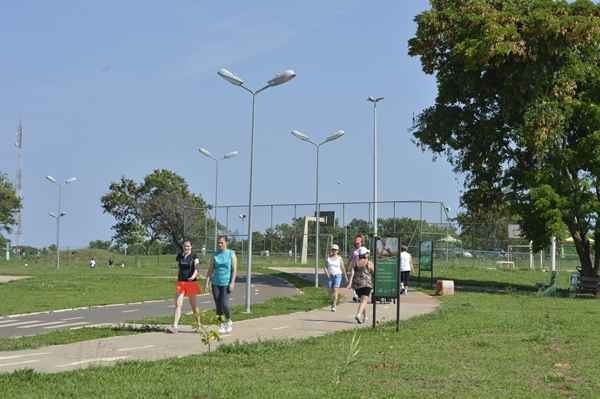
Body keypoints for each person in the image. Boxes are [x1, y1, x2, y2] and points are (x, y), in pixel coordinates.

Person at [205, 236, 237, 334]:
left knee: (224, 304)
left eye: (221, 243)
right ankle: (221, 324)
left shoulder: (231, 254)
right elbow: (210, 270)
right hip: (215, 283)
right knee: (218, 305)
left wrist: (232, 282)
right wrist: (207, 282)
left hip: (226, 283)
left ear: (226, 243)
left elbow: (234, 270)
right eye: (218, 243)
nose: (219, 244)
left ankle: (228, 320)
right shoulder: (215, 255)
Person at [167, 241, 200, 334]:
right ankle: (175, 326)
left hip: (191, 283)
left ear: (191, 247)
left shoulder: (194, 256)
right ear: (183, 247)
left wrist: (193, 276)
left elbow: (197, 268)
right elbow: (179, 268)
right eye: (185, 246)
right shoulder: (180, 256)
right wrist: (178, 277)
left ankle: (199, 324)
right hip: (181, 282)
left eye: (188, 246)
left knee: (193, 306)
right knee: (178, 304)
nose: (187, 248)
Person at [347, 246, 374, 324]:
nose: (368, 254)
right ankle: (358, 314)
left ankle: (365, 317)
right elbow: (374, 272)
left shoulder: (355, 262)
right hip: (366, 284)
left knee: (362, 301)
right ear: (364, 255)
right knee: (364, 300)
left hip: (357, 284)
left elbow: (352, 273)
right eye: (367, 253)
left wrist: (349, 283)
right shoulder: (369, 262)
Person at [323, 244, 346, 312]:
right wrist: (327, 274)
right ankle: (333, 301)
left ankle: (334, 305)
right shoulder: (328, 258)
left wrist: (346, 277)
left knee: (335, 290)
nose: (334, 251)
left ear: (338, 251)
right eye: (333, 249)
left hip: (338, 276)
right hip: (330, 276)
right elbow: (324, 267)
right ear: (331, 250)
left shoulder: (339, 258)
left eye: (335, 250)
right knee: (330, 291)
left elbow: (343, 268)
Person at [348, 235, 363, 302]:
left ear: (361, 242)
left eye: (358, 243)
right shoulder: (353, 249)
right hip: (354, 266)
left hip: (361, 268)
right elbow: (350, 258)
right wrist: (347, 265)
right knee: (353, 280)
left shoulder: (363, 249)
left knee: (360, 282)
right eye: (356, 243)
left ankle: (359, 295)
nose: (357, 244)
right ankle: (354, 295)